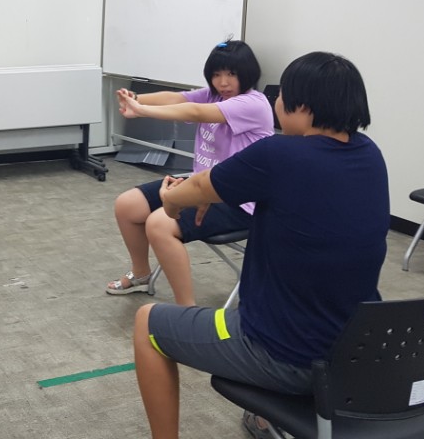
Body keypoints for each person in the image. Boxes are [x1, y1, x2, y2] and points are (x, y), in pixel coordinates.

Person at [133, 51, 389, 439]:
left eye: (282, 95)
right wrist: (205, 191)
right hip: (357, 351)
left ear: (304, 106)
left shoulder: (280, 153)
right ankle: (267, 419)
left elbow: (195, 187)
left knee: (147, 323)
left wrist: (170, 200)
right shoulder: (370, 154)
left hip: (286, 355)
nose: (276, 103)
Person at [106, 40, 273, 306]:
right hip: (200, 185)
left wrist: (142, 111)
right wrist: (135, 98)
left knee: (159, 224)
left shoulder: (253, 103)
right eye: (216, 74)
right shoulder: (213, 95)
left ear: (248, 73)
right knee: (127, 205)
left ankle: (187, 310)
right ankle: (140, 275)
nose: (223, 82)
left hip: (238, 200)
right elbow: (176, 99)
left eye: (231, 74)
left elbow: (195, 112)